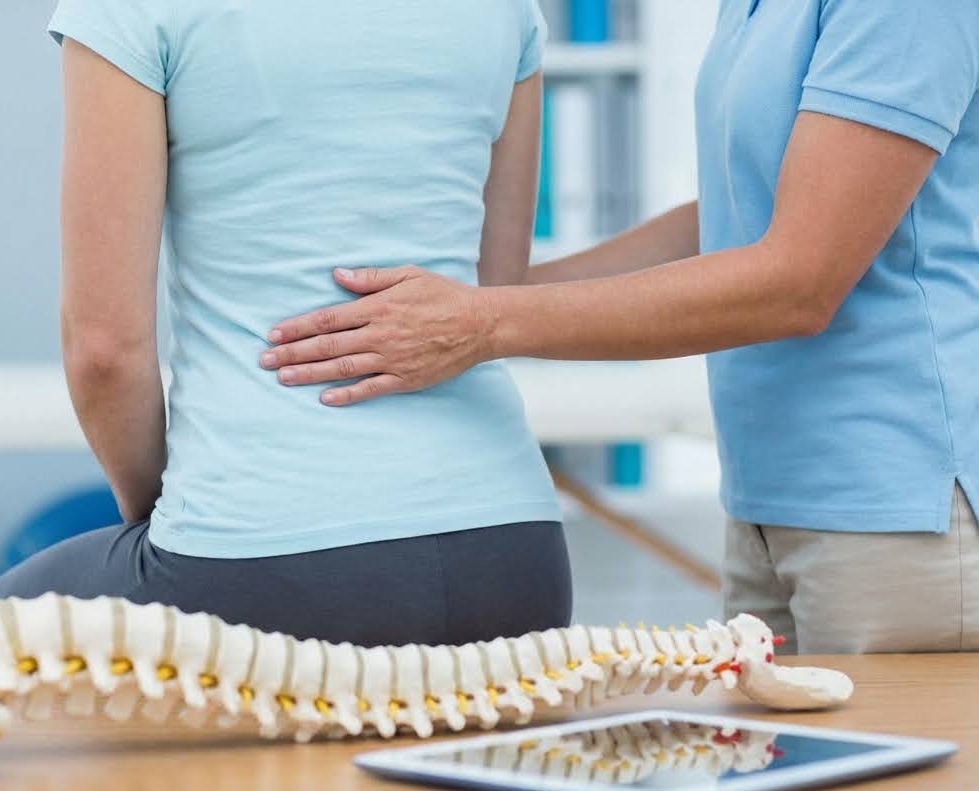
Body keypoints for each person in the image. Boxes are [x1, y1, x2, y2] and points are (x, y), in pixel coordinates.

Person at [261, 0, 979, 654]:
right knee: (776, 786)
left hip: (900, 507)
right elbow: (738, 214)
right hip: (768, 497)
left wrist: (483, 323)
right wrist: (491, 293)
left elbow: (799, 282)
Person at [0, 0, 572, 647]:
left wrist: (166, 516)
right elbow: (492, 294)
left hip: (255, 567)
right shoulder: (510, 11)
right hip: (516, 562)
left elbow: (104, 351)